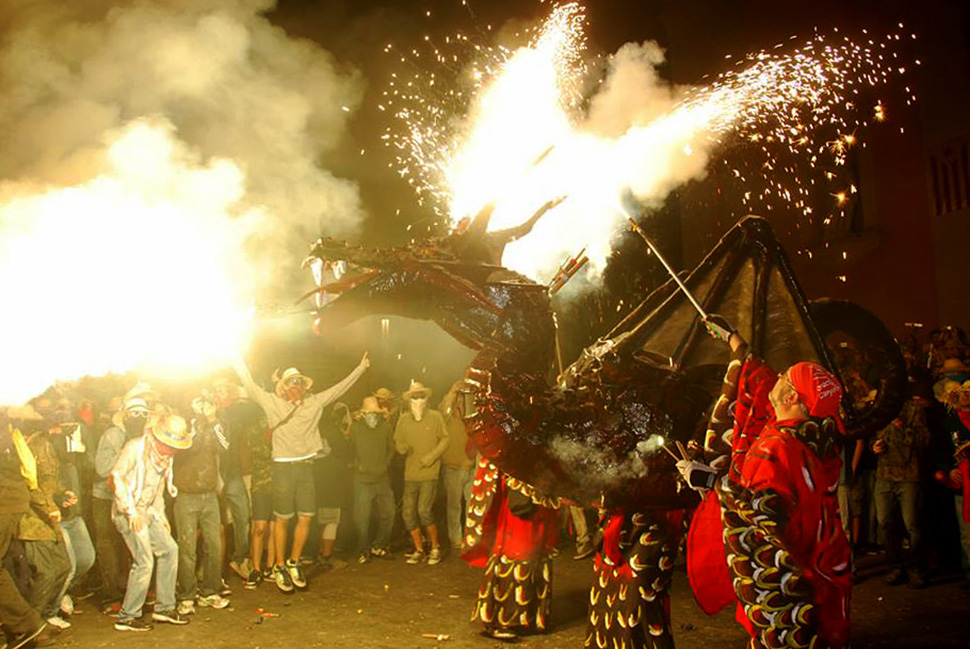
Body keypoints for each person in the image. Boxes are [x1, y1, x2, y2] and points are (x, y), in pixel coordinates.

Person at [683, 326, 852, 649]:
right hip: (825, 582)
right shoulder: (821, 442)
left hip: (789, 594)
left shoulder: (775, 448)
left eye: (785, 377)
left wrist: (709, 480)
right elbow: (761, 382)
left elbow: (761, 515)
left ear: (791, 398)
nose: (777, 378)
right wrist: (735, 343)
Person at [232, 354, 369, 592]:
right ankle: (280, 566)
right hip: (283, 466)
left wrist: (361, 368)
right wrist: (237, 361)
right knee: (283, 519)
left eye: (298, 382)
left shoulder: (314, 403)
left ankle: (294, 562)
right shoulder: (272, 403)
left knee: (306, 516)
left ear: (304, 386)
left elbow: (340, 389)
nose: (295, 386)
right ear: (283, 386)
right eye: (291, 382)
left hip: (306, 466)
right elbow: (250, 386)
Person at [111, 413, 193, 631]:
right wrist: (130, 512)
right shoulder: (135, 448)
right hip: (127, 510)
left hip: (148, 510)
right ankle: (127, 616)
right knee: (144, 560)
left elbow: (157, 490)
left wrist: (162, 516)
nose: (174, 449)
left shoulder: (165, 457)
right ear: (160, 439)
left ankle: (164, 608)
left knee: (170, 549)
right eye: (171, 444)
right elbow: (116, 477)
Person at [463, 458, 560, 641]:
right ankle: (501, 620)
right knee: (517, 552)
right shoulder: (507, 439)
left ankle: (529, 618)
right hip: (518, 502)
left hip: (542, 499)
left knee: (536, 555)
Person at [1, 412, 56, 649]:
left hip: (5, 500)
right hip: (11, 499)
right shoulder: (7, 430)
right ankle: (29, 627)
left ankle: (28, 626)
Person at [174, 397, 230, 615]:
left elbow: (225, 446)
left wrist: (212, 419)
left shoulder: (212, 428)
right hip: (186, 496)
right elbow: (183, 448)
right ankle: (187, 595)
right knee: (187, 548)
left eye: (205, 405)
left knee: (214, 546)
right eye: (198, 405)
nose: (201, 409)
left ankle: (210, 592)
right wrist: (196, 423)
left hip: (209, 496)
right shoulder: (182, 426)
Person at [92, 397, 149, 613]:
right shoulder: (113, 435)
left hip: (128, 499)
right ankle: (110, 597)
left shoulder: (142, 437)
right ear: (125, 415)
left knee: (127, 545)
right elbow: (102, 467)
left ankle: (129, 591)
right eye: (135, 413)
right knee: (108, 546)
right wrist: (127, 451)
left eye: (144, 414)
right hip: (105, 497)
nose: (140, 418)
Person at [873, 385, 930, 587]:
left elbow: (924, 440)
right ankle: (896, 567)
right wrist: (876, 445)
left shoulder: (914, 409)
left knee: (912, 524)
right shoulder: (880, 411)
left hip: (908, 475)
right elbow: (873, 434)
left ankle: (916, 568)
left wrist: (902, 428)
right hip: (885, 474)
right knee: (885, 523)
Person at [19, 423, 72, 631]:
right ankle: (32, 623)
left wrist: (62, 493)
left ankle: (44, 616)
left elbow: (47, 481)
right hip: (32, 522)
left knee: (63, 566)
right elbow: (32, 485)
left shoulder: (43, 445)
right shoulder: (39, 446)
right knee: (48, 572)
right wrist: (49, 506)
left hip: (46, 520)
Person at [394, 381, 449, 565]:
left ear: (426, 398)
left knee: (424, 510)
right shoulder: (403, 420)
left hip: (429, 473)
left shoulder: (435, 417)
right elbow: (398, 441)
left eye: (421, 396)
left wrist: (432, 456)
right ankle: (419, 549)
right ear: (409, 399)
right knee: (408, 514)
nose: (418, 400)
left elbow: (445, 439)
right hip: (411, 474)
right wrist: (401, 448)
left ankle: (435, 548)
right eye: (414, 397)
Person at [213, 378, 252, 583]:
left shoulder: (236, 414)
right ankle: (211, 569)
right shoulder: (206, 415)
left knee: (243, 516)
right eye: (219, 392)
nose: (223, 396)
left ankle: (240, 558)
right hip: (212, 473)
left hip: (232, 471)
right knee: (212, 524)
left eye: (226, 392)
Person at [350, 397, 396, 563]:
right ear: (363, 414)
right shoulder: (355, 428)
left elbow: (392, 449)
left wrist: (385, 464)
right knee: (361, 518)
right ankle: (364, 549)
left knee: (389, 513)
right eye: (368, 413)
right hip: (362, 479)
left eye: (374, 413)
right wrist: (358, 464)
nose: (371, 415)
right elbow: (350, 448)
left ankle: (379, 545)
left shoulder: (386, 427)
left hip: (382, 478)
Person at [314, 403, 353, 569]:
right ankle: (326, 556)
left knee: (318, 519)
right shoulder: (332, 431)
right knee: (332, 520)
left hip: (316, 479)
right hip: (332, 480)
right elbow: (345, 451)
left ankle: (316, 553)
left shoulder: (311, 429)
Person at [439, 381, 474, 551]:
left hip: (470, 467)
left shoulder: (470, 418)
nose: (459, 404)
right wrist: (453, 390)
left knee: (470, 504)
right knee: (454, 506)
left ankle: (470, 537)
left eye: (462, 400)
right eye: (457, 402)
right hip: (452, 467)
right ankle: (455, 539)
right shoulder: (446, 418)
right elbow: (444, 407)